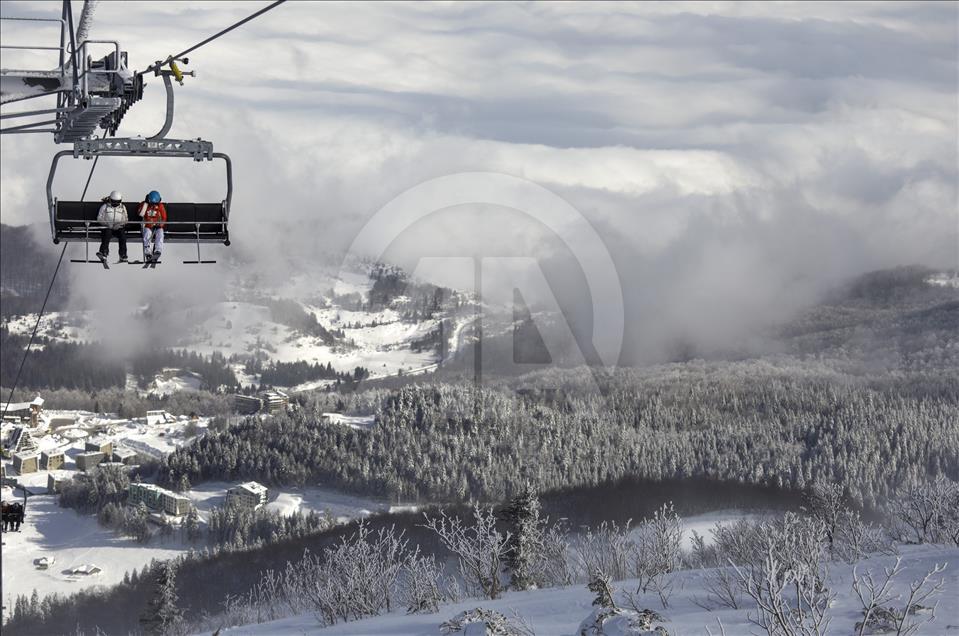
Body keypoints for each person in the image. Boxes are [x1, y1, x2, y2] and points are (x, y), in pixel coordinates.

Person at [96, 190, 128, 262]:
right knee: (107, 234)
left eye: (117, 202)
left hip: (118, 228)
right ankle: (104, 252)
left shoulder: (122, 207)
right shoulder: (105, 207)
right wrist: (107, 224)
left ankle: (123, 255)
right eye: (114, 202)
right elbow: (99, 218)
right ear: (110, 200)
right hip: (107, 227)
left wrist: (119, 224)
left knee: (122, 236)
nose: (115, 204)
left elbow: (125, 219)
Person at [139, 190, 167, 263]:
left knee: (160, 234)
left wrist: (160, 224)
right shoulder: (144, 205)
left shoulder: (160, 206)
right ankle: (147, 251)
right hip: (147, 225)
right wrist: (145, 204)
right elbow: (141, 214)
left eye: (155, 203)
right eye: (152, 203)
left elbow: (164, 217)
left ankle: (158, 250)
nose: (154, 205)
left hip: (157, 226)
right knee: (147, 234)